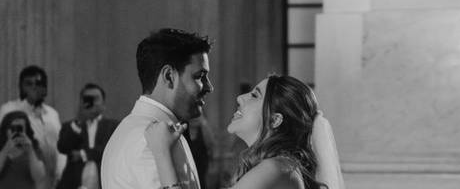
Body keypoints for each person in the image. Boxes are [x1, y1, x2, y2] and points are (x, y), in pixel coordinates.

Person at [146, 74, 344, 189]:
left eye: (255, 96)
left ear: (275, 120)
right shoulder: (281, 167)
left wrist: (162, 152)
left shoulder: (277, 168)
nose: (241, 98)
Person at [100, 28, 214, 189]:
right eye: (199, 76)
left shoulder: (148, 130)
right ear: (168, 76)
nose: (209, 87)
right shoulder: (148, 140)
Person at [0, 65, 62, 186]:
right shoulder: (9, 108)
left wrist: (60, 172)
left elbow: (58, 144)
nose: (34, 87)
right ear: (21, 86)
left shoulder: (52, 114)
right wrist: (29, 104)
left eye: (38, 84)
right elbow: (6, 138)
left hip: (51, 175)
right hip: (25, 174)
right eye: (29, 84)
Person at [57, 83, 118, 189]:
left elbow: (110, 150)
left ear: (103, 104)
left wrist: (83, 154)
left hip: (104, 181)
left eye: (95, 98)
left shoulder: (113, 126)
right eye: (87, 99)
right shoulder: (72, 126)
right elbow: (63, 147)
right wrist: (80, 120)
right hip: (73, 182)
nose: (91, 102)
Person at [0, 111, 48, 189]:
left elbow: (39, 177)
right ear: (6, 130)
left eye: (20, 129)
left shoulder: (34, 149)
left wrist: (30, 151)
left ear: (26, 130)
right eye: (12, 128)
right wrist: (5, 151)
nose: (16, 132)